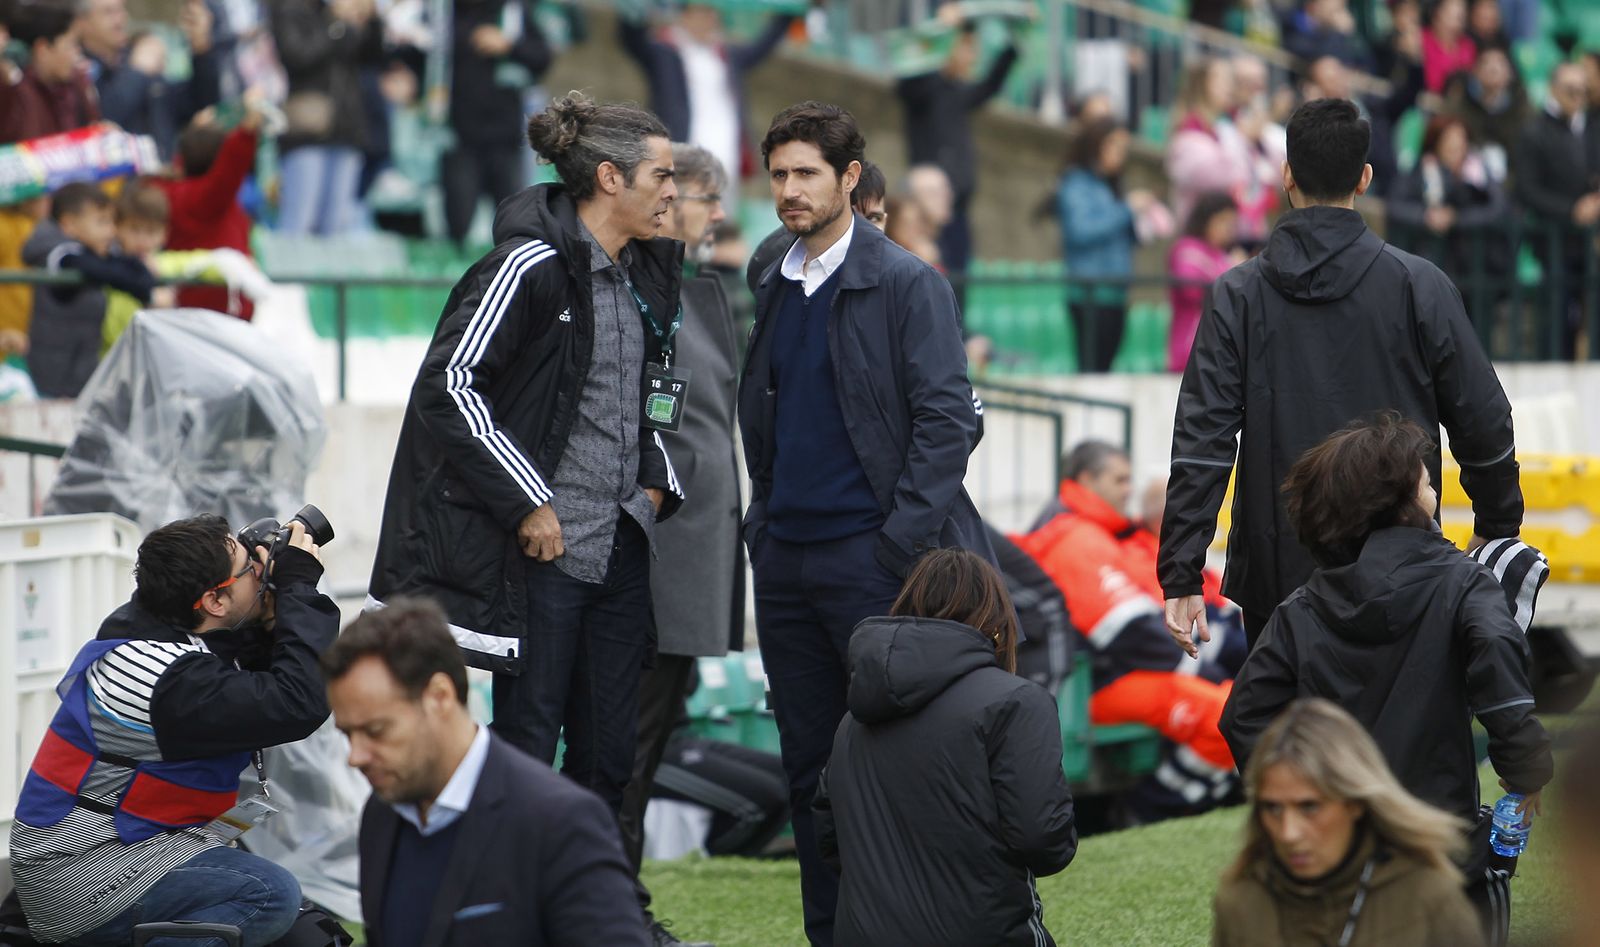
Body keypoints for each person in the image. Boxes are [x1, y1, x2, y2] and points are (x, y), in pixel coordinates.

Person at [368, 93, 684, 837]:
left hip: (621, 546)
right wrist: (528, 503)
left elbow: (656, 394)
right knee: (527, 754)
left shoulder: (652, 269)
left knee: (610, 761)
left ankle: (592, 910)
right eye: (663, 175)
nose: (675, 189)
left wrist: (653, 479)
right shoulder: (527, 263)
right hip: (539, 557)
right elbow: (448, 382)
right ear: (611, 177)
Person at [740, 101, 989, 947]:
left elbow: (947, 421)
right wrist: (764, 527)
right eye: (778, 174)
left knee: (894, 762)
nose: (789, 191)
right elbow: (766, 416)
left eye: (806, 173)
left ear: (851, 178)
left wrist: (898, 542)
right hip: (786, 563)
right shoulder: (773, 276)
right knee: (809, 767)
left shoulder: (909, 281)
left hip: (871, 562)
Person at [1159, 97, 1522, 655]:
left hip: (1278, 577)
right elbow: (1483, 419)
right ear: (1366, 178)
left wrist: (1182, 571)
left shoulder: (1237, 295)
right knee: (1402, 741)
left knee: (1290, 740)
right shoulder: (1419, 284)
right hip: (1406, 566)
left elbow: (1202, 442)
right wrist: (1498, 525)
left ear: (1285, 176)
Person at [1219, 415, 1553, 943]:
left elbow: (1243, 718)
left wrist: (1307, 806)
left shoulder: (1300, 608)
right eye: (1425, 480)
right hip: (1445, 855)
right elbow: (1496, 652)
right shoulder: (1464, 581)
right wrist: (1527, 768)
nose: (1433, 489)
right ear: (1400, 501)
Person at [9, 513, 336, 946]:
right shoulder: (165, 680)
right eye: (249, 568)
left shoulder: (152, 627)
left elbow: (246, 667)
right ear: (214, 602)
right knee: (269, 894)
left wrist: (273, 613)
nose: (261, 570)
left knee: (306, 931)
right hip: (75, 874)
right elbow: (296, 703)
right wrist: (297, 588)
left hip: (124, 847)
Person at [324, 598, 648, 947]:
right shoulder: (382, 814)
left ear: (440, 696)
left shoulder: (560, 820)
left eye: (376, 730)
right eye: (347, 734)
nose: (355, 756)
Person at [814, 549, 1076, 947]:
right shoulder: (1016, 701)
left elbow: (829, 833)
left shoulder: (853, 719)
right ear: (996, 620)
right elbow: (1042, 840)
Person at [614, 142, 732, 947]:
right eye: (704, 196)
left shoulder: (695, 294)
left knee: (646, 746)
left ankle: (616, 902)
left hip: (694, 562)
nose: (715, 212)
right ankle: (612, 911)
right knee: (624, 748)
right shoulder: (633, 293)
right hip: (649, 558)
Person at [1016, 442, 1239, 820]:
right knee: (1226, 717)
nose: (1127, 490)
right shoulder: (1073, 538)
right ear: (1086, 479)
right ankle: (1144, 813)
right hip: (1093, 684)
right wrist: (1204, 670)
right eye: (1119, 479)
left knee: (1234, 708)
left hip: (1114, 673)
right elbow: (1127, 630)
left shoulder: (1089, 532)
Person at [1213, 699, 1489, 947]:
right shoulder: (1241, 902)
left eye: (1309, 807)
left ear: (1354, 803)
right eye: (1272, 808)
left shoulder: (1426, 896)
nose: (1289, 833)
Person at [895, 7, 1019, 291]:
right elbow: (908, 74)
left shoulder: (956, 91)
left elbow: (989, 85)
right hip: (931, 216)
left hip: (959, 210)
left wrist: (1013, 44)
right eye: (966, 49)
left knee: (958, 287)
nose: (972, 57)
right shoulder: (924, 88)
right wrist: (939, 29)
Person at [620, 2, 796, 198]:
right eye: (703, 12)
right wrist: (636, 10)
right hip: (680, 156)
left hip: (726, 159)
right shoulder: (664, 51)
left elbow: (763, 46)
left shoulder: (725, 54)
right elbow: (632, 37)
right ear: (685, 15)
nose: (710, 19)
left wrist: (791, 12)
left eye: (713, 12)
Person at [24, 183, 156, 398]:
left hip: (82, 373)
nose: (112, 230)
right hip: (51, 378)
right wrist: (144, 289)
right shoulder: (60, 253)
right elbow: (96, 269)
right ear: (69, 224)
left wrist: (142, 277)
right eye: (102, 222)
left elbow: (126, 266)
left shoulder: (95, 250)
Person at [269, 0, 383, 236]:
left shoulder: (334, 11)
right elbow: (297, 56)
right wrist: (335, 23)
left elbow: (372, 56)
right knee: (299, 223)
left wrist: (370, 19)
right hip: (308, 131)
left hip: (347, 127)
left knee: (337, 226)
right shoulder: (288, 8)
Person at [442, 0, 551, 245]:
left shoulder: (514, 11)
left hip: (505, 135)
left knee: (511, 222)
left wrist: (509, 45)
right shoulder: (446, 12)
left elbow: (542, 57)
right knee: (458, 219)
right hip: (459, 135)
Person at [1056, 118, 1157, 373]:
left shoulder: (1112, 185)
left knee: (1106, 367)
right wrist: (1126, 210)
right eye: (1113, 145)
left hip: (1116, 291)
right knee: (1092, 368)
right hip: (1089, 293)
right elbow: (1080, 231)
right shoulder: (1075, 183)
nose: (1120, 154)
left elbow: (1117, 232)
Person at [1513, 62, 1600, 358]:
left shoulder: (1589, 128)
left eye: (1583, 91)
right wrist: (1572, 210)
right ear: (1553, 88)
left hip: (1589, 243)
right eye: (1571, 90)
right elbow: (1527, 189)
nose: (1578, 97)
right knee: (1556, 321)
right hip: (1553, 242)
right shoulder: (1534, 131)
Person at [153, 101, 266, 319]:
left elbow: (185, 166)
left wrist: (195, 135)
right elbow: (231, 164)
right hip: (217, 313)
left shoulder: (168, 191)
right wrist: (247, 129)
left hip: (191, 308)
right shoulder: (209, 196)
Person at [78, 0, 221, 159]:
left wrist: (201, 51)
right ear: (83, 23)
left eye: (121, 10)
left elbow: (197, 104)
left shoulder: (133, 57)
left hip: (162, 174)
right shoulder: (77, 71)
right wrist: (138, 70)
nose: (120, 20)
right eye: (108, 12)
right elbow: (104, 117)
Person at [1386, 114, 1512, 288]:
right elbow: (1396, 206)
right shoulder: (1420, 172)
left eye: (1460, 143)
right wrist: (1427, 217)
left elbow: (1498, 207)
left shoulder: (1478, 172)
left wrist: (1457, 218)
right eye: (1449, 144)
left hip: (1475, 266)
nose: (1456, 150)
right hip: (1432, 262)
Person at [1165, 57, 1248, 233]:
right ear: (1204, 84)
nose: (1230, 87)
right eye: (1222, 80)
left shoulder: (1223, 129)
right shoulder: (1189, 131)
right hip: (1198, 235)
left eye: (1230, 80)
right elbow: (1218, 177)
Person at [1168, 192, 1242, 373]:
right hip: (1189, 351)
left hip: (1221, 353)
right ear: (1206, 219)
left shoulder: (1223, 256)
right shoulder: (1187, 248)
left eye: (1232, 223)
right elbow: (1190, 289)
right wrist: (1235, 270)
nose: (1228, 228)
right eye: (1222, 221)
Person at [1443, 47, 1529, 185]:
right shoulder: (1459, 102)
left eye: (1500, 64)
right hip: (1464, 178)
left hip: (1510, 180)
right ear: (1475, 71)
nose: (1492, 68)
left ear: (1510, 74)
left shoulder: (1521, 106)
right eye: (1486, 63)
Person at [1422, 0, 1477, 94]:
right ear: (1436, 14)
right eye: (1451, 15)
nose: (1457, 22)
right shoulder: (1421, 40)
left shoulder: (1468, 46)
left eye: (1460, 17)